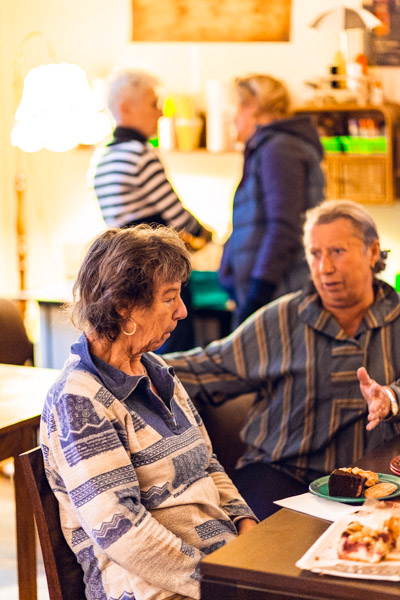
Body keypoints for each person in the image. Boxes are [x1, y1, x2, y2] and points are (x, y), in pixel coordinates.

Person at [40, 224, 257, 600]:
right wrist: (219, 582)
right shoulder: (79, 401)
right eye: (169, 298)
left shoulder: (155, 369)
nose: (182, 311)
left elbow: (208, 464)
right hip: (152, 588)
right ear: (123, 306)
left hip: (221, 568)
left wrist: (246, 525)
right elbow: (121, 531)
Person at [165, 200, 400, 520]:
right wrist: (129, 363)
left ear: (372, 252)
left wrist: (390, 398)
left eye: (337, 252)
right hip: (281, 472)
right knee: (261, 543)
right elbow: (208, 367)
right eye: (315, 253)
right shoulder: (281, 319)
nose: (324, 268)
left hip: (374, 479)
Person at [88, 68, 212, 351]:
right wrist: (207, 236)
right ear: (125, 107)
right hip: (158, 268)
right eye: (153, 104)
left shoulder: (101, 158)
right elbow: (177, 215)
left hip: (124, 270)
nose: (160, 113)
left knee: (139, 346)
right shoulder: (140, 154)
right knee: (174, 345)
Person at [219, 74, 325, 328]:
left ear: (253, 106)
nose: (232, 117)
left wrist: (257, 296)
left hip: (278, 298)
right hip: (272, 296)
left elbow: (284, 227)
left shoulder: (279, 149)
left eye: (236, 108)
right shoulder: (269, 147)